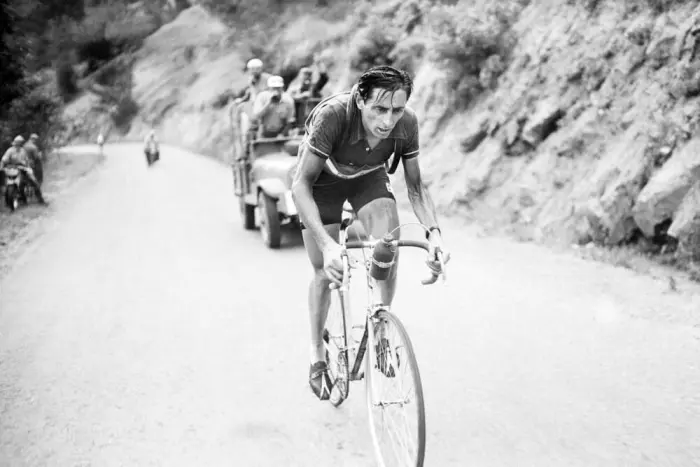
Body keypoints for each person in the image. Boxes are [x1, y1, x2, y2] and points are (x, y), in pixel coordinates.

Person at [291, 65, 449, 401]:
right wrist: (327, 245)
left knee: (387, 246)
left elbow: (416, 187)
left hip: (368, 179)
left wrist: (434, 235)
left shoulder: (407, 123)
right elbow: (300, 185)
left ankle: (380, 327)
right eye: (379, 109)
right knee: (325, 271)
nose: (388, 121)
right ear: (361, 100)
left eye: (397, 110)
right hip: (322, 184)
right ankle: (317, 354)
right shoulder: (334, 116)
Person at [1, 135, 47, 204]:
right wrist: (1, 167)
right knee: (8, 182)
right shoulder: (10, 150)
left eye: (19, 143)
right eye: (17, 142)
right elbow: (4, 160)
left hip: (23, 168)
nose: (18, 144)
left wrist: (29, 166)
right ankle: (10, 199)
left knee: (34, 181)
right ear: (14, 143)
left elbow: (27, 161)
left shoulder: (23, 151)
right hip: (12, 168)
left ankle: (40, 199)